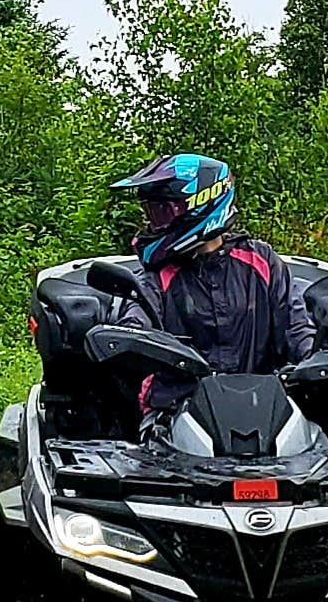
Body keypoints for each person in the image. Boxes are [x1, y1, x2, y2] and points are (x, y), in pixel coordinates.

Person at [108, 152, 313, 428]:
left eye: (164, 212)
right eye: (153, 214)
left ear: (200, 205)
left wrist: (318, 363)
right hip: (175, 415)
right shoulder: (156, 277)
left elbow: (297, 329)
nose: (156, 224)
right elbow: (137, 320)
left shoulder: (261, 262)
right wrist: (128, 338)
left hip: (264, 411)